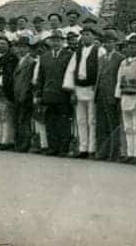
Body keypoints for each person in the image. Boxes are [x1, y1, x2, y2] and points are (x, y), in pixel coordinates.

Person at [63, 27, 106, 159]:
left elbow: (102, 70)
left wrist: (98, 87)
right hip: (79, 87)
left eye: (88, 34)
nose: (86, 37)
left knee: (92, 120)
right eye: (84, 35)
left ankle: (92, 148)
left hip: (92, 88)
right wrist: (72, 90)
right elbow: (71, 70)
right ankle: (82, 148)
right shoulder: (78, 52)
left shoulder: (100, 51)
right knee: (81, 120)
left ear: (93, 37)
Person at [35, 30, 73, 156]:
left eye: (58, 40)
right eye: (53, 40)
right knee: (50, 121)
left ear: (63, 42)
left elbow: (71, 75)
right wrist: (38, 94)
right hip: (48, 94)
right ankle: (52, 147)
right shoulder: (44, 56)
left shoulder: (69, 55)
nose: (56, 43)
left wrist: (71, 92)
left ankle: (63, 148)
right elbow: (40, 76)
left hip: (63, 94)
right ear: (50, 42)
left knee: (63, 121)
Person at [95, 30, 124, 162]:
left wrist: (117, 96)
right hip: (100, 94)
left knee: (113, 124)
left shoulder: (119, 58)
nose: (107, 44)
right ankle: (102, 151)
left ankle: (114, 152)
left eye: (110, 41)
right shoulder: (101, 58)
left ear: (115, 43)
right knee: (101, 124)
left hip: (112, 95)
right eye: (105, 42)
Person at [115, 35, 136, 165]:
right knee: (128, 127)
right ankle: (129, 153)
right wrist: (118, 96)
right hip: (125, 96)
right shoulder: (124, 62)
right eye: (130, 44)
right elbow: (119, 80)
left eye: (135, 44)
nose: (132, 46)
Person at [11, 37, 36, 152]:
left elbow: (28, 81)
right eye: (19, 47)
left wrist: (24, 94)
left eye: (24, 47)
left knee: (24, 119)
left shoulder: (30, 62)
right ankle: (20, 143)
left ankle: (24, 144)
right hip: (17, 94)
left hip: (24, 95)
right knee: (19, 119)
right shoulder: (19, 61)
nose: (21, 50)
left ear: (29, 49)